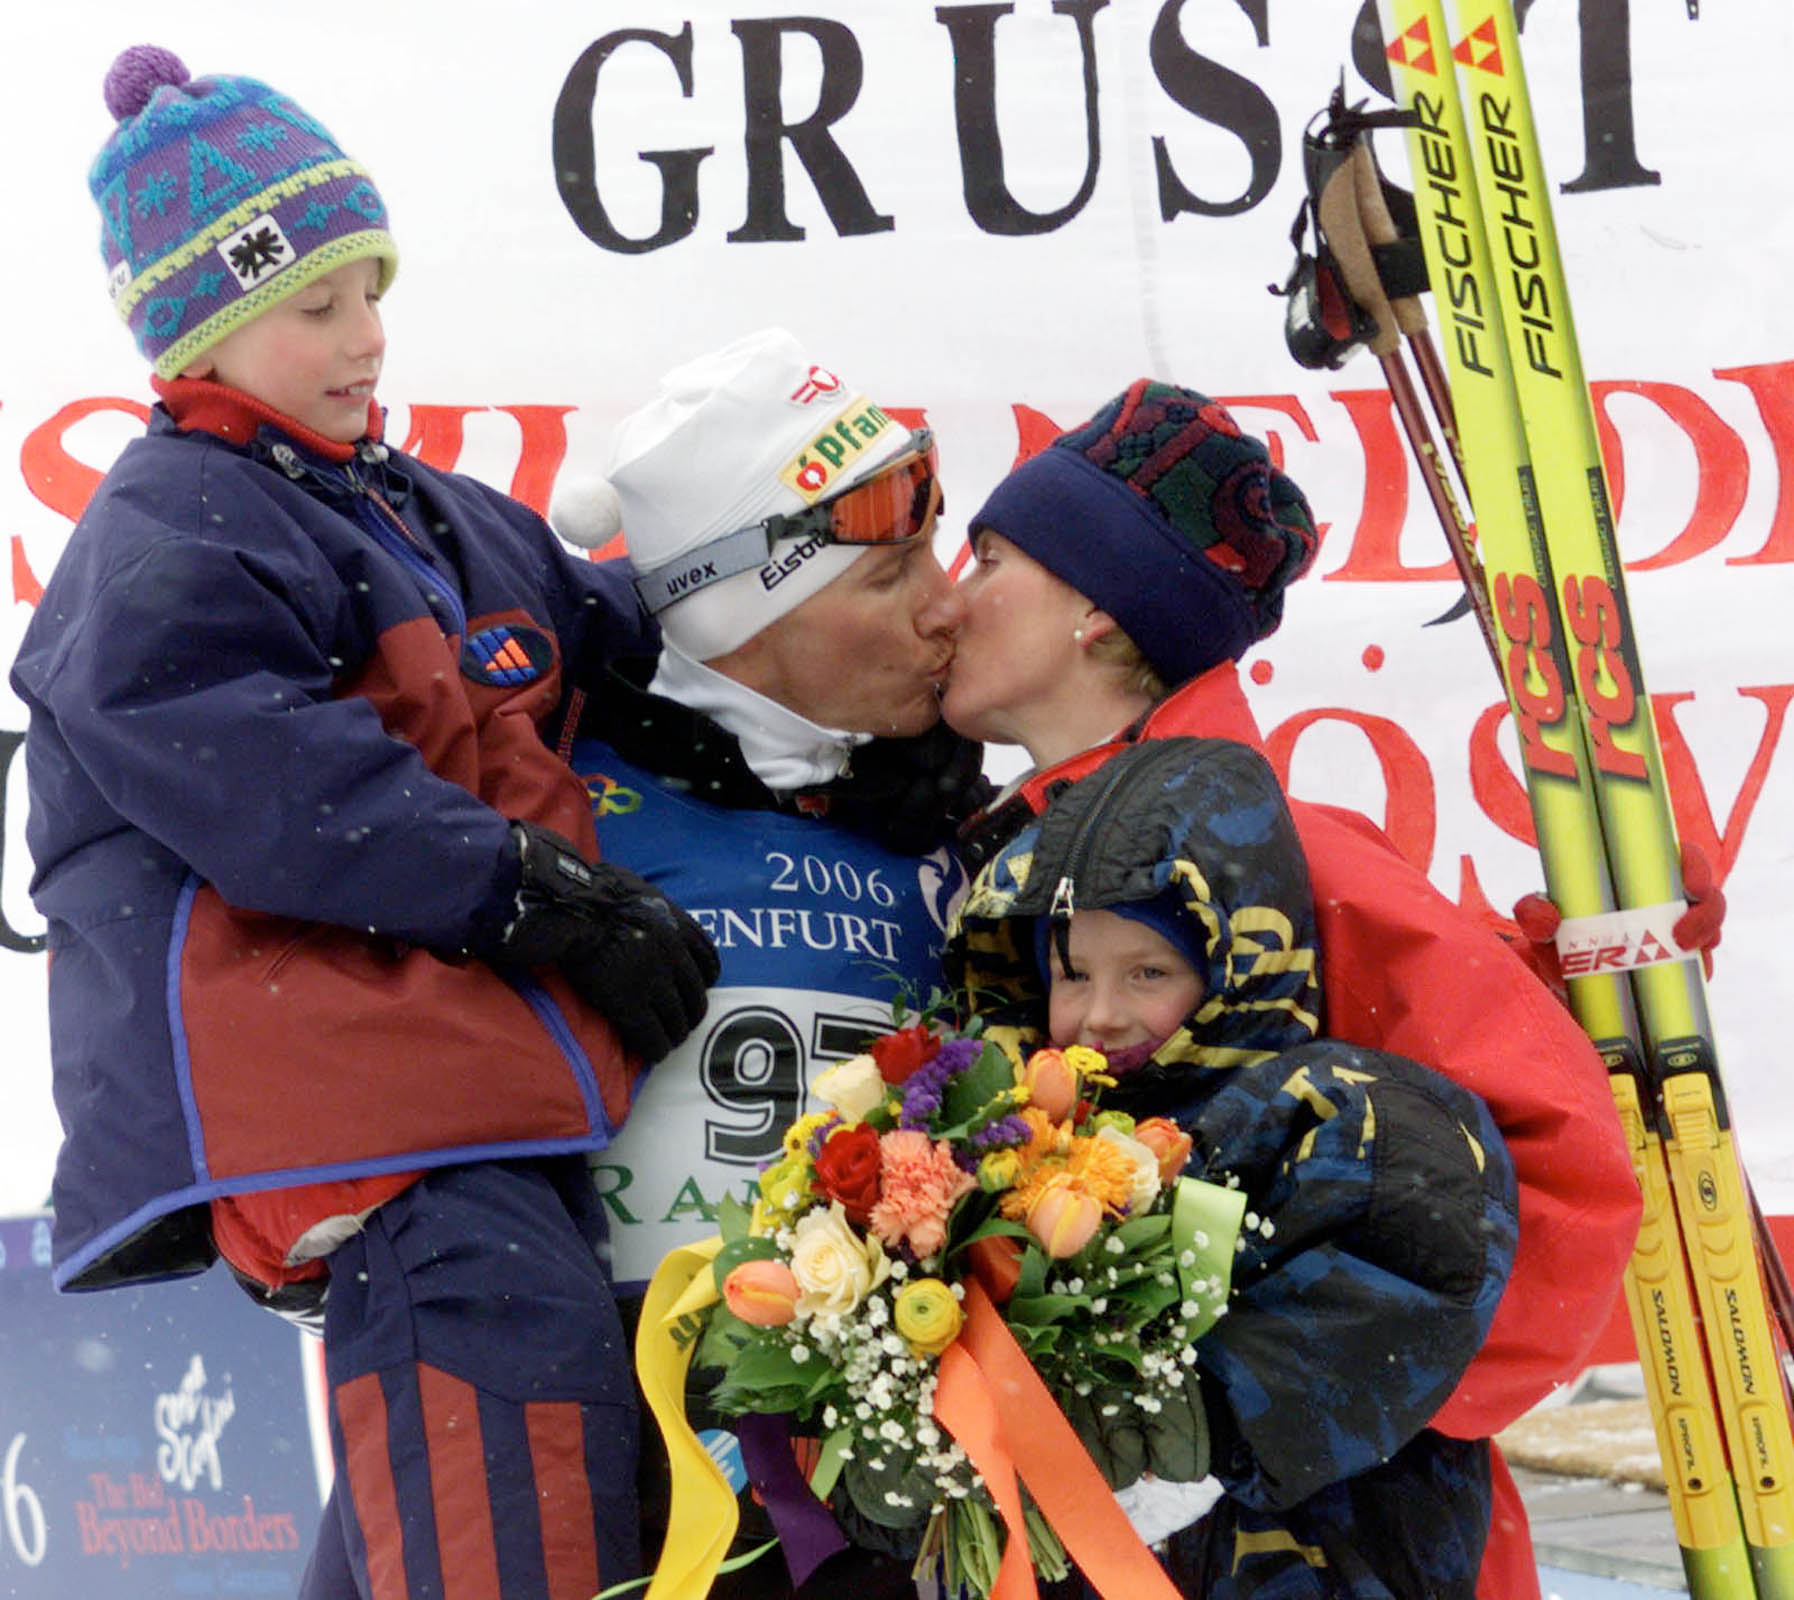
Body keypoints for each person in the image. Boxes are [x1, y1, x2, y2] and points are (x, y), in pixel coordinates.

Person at [9, 47, 720, 1600]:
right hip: (369, 1129)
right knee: (514, 1488)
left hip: (475, 1106)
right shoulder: (170, 524)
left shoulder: (408, 508)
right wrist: (534, 892)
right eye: (316, 304)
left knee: (477, 1494)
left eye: (371, 286)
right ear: (201, 329)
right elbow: (270, 787)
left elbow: (629, 647)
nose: (369, 334)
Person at [938, 380, 1643, 1600]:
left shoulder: (1276, 858)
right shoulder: (1025, 856)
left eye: (988, 556)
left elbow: (1563, 1182)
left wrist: (1253, 1421)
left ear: (1095, 612)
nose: (950, 597)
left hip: (1324, 1551)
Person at [546, 327, 985, 1596]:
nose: (945, 602)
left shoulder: (948, 810)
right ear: (756, 614)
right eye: (890, 572)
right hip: (646, 1476)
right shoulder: (562, 804)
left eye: (937, 549)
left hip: (895, 1465)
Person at [949, 732, 1520, 1597]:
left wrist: (1199, 1434)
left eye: (1149, 971)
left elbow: (1415, 1271)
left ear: (1238, 961)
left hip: (1323, 1559)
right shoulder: (1019, 1145)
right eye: (1071, 973)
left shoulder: (1339, 1112)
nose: (1100, 1014)